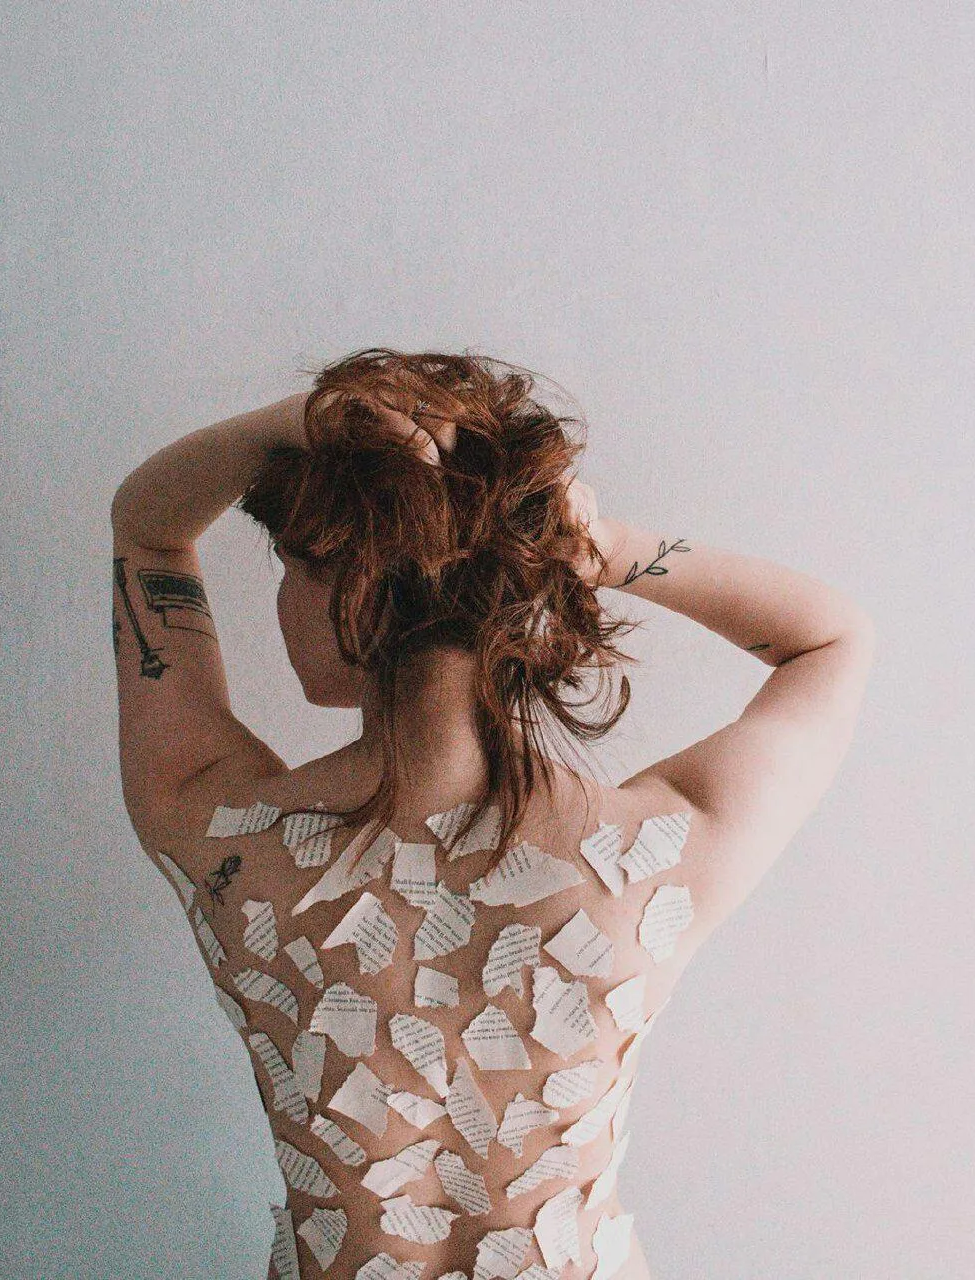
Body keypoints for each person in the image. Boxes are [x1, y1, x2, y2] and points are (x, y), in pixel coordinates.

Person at [111, 348, 876, 1280]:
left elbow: (148, 529)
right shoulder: (654, 855)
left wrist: (289, 423)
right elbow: (829, 638)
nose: (279, 602)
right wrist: (595, 546)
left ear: (353, 585)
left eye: (292, 569)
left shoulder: (221, 832)